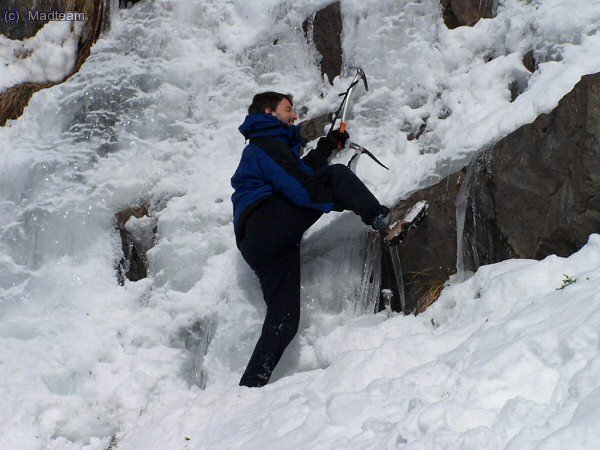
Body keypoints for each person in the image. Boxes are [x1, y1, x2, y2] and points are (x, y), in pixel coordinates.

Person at [231, 91, 399, 387]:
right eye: (288, 109)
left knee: (284, 320)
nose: (294, 115)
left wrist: (327, 146)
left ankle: (250, 386)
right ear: (269, 113)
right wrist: (337, 194)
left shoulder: (270, 146)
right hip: (266, 223)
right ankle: (384, 221)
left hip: (260, 242)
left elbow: (299, 172)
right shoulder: (264, 142)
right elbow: (299, 186)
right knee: (336, 177)